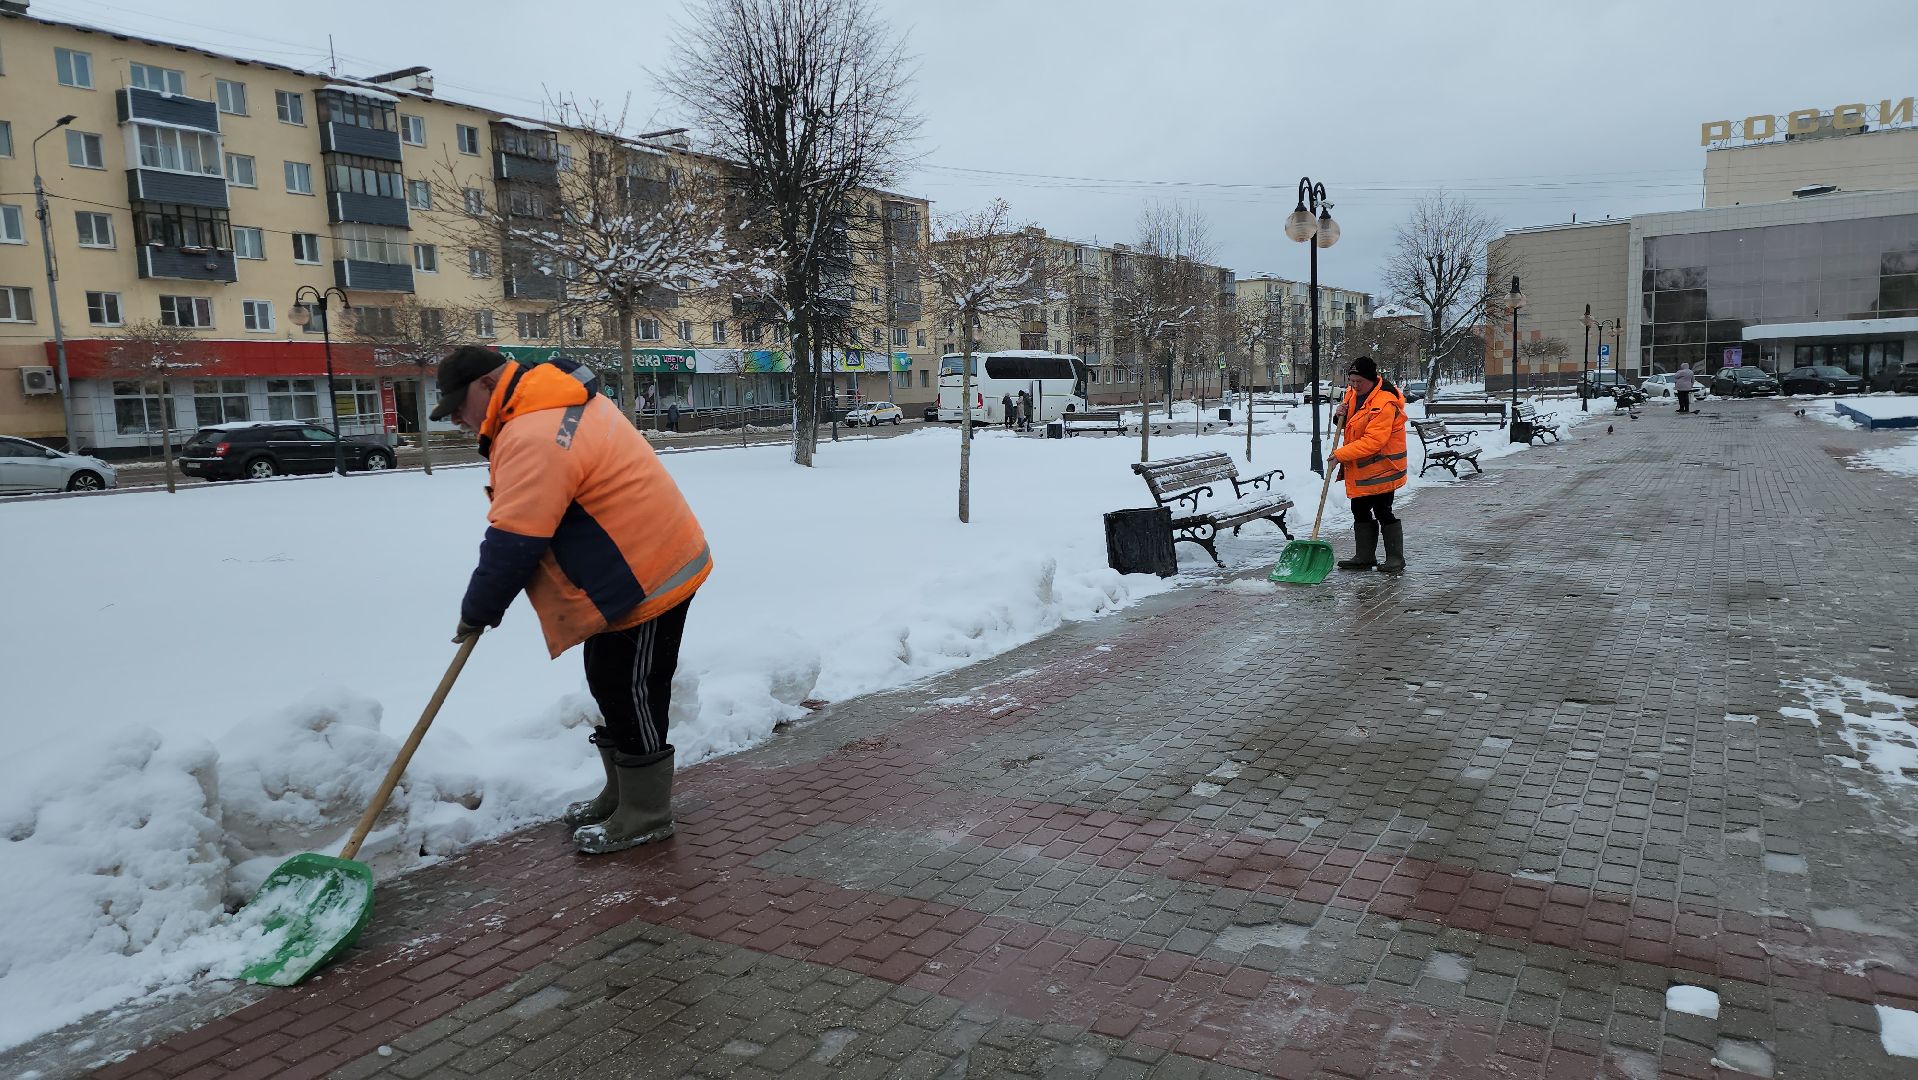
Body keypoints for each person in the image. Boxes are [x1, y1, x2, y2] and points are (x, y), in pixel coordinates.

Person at [432, 346, 713, 855]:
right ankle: (620, 793)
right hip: (620, 568)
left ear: (488, 384)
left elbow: (516, 536)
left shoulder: (535, 431)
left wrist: (479, 609)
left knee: (633, 691)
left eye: (456, 403)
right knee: (611, 683)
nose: (453, 416)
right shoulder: (549, 402)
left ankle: (646, 811)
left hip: (647, 572)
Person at [1329, 356, 1409, 575]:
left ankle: (1395, 558)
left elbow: (1374, 442)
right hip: (1362, 468)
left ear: (1372, 379)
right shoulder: (1353, 394)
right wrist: (1339, 417)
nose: (1354, 386)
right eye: (1351, 381)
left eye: (1358, 382)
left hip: (1383, 467)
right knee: (1359, 509)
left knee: (1383, 510)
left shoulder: (1384, 403)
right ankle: (1364, 556)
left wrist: (1340, 455)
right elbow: (1352, 425)